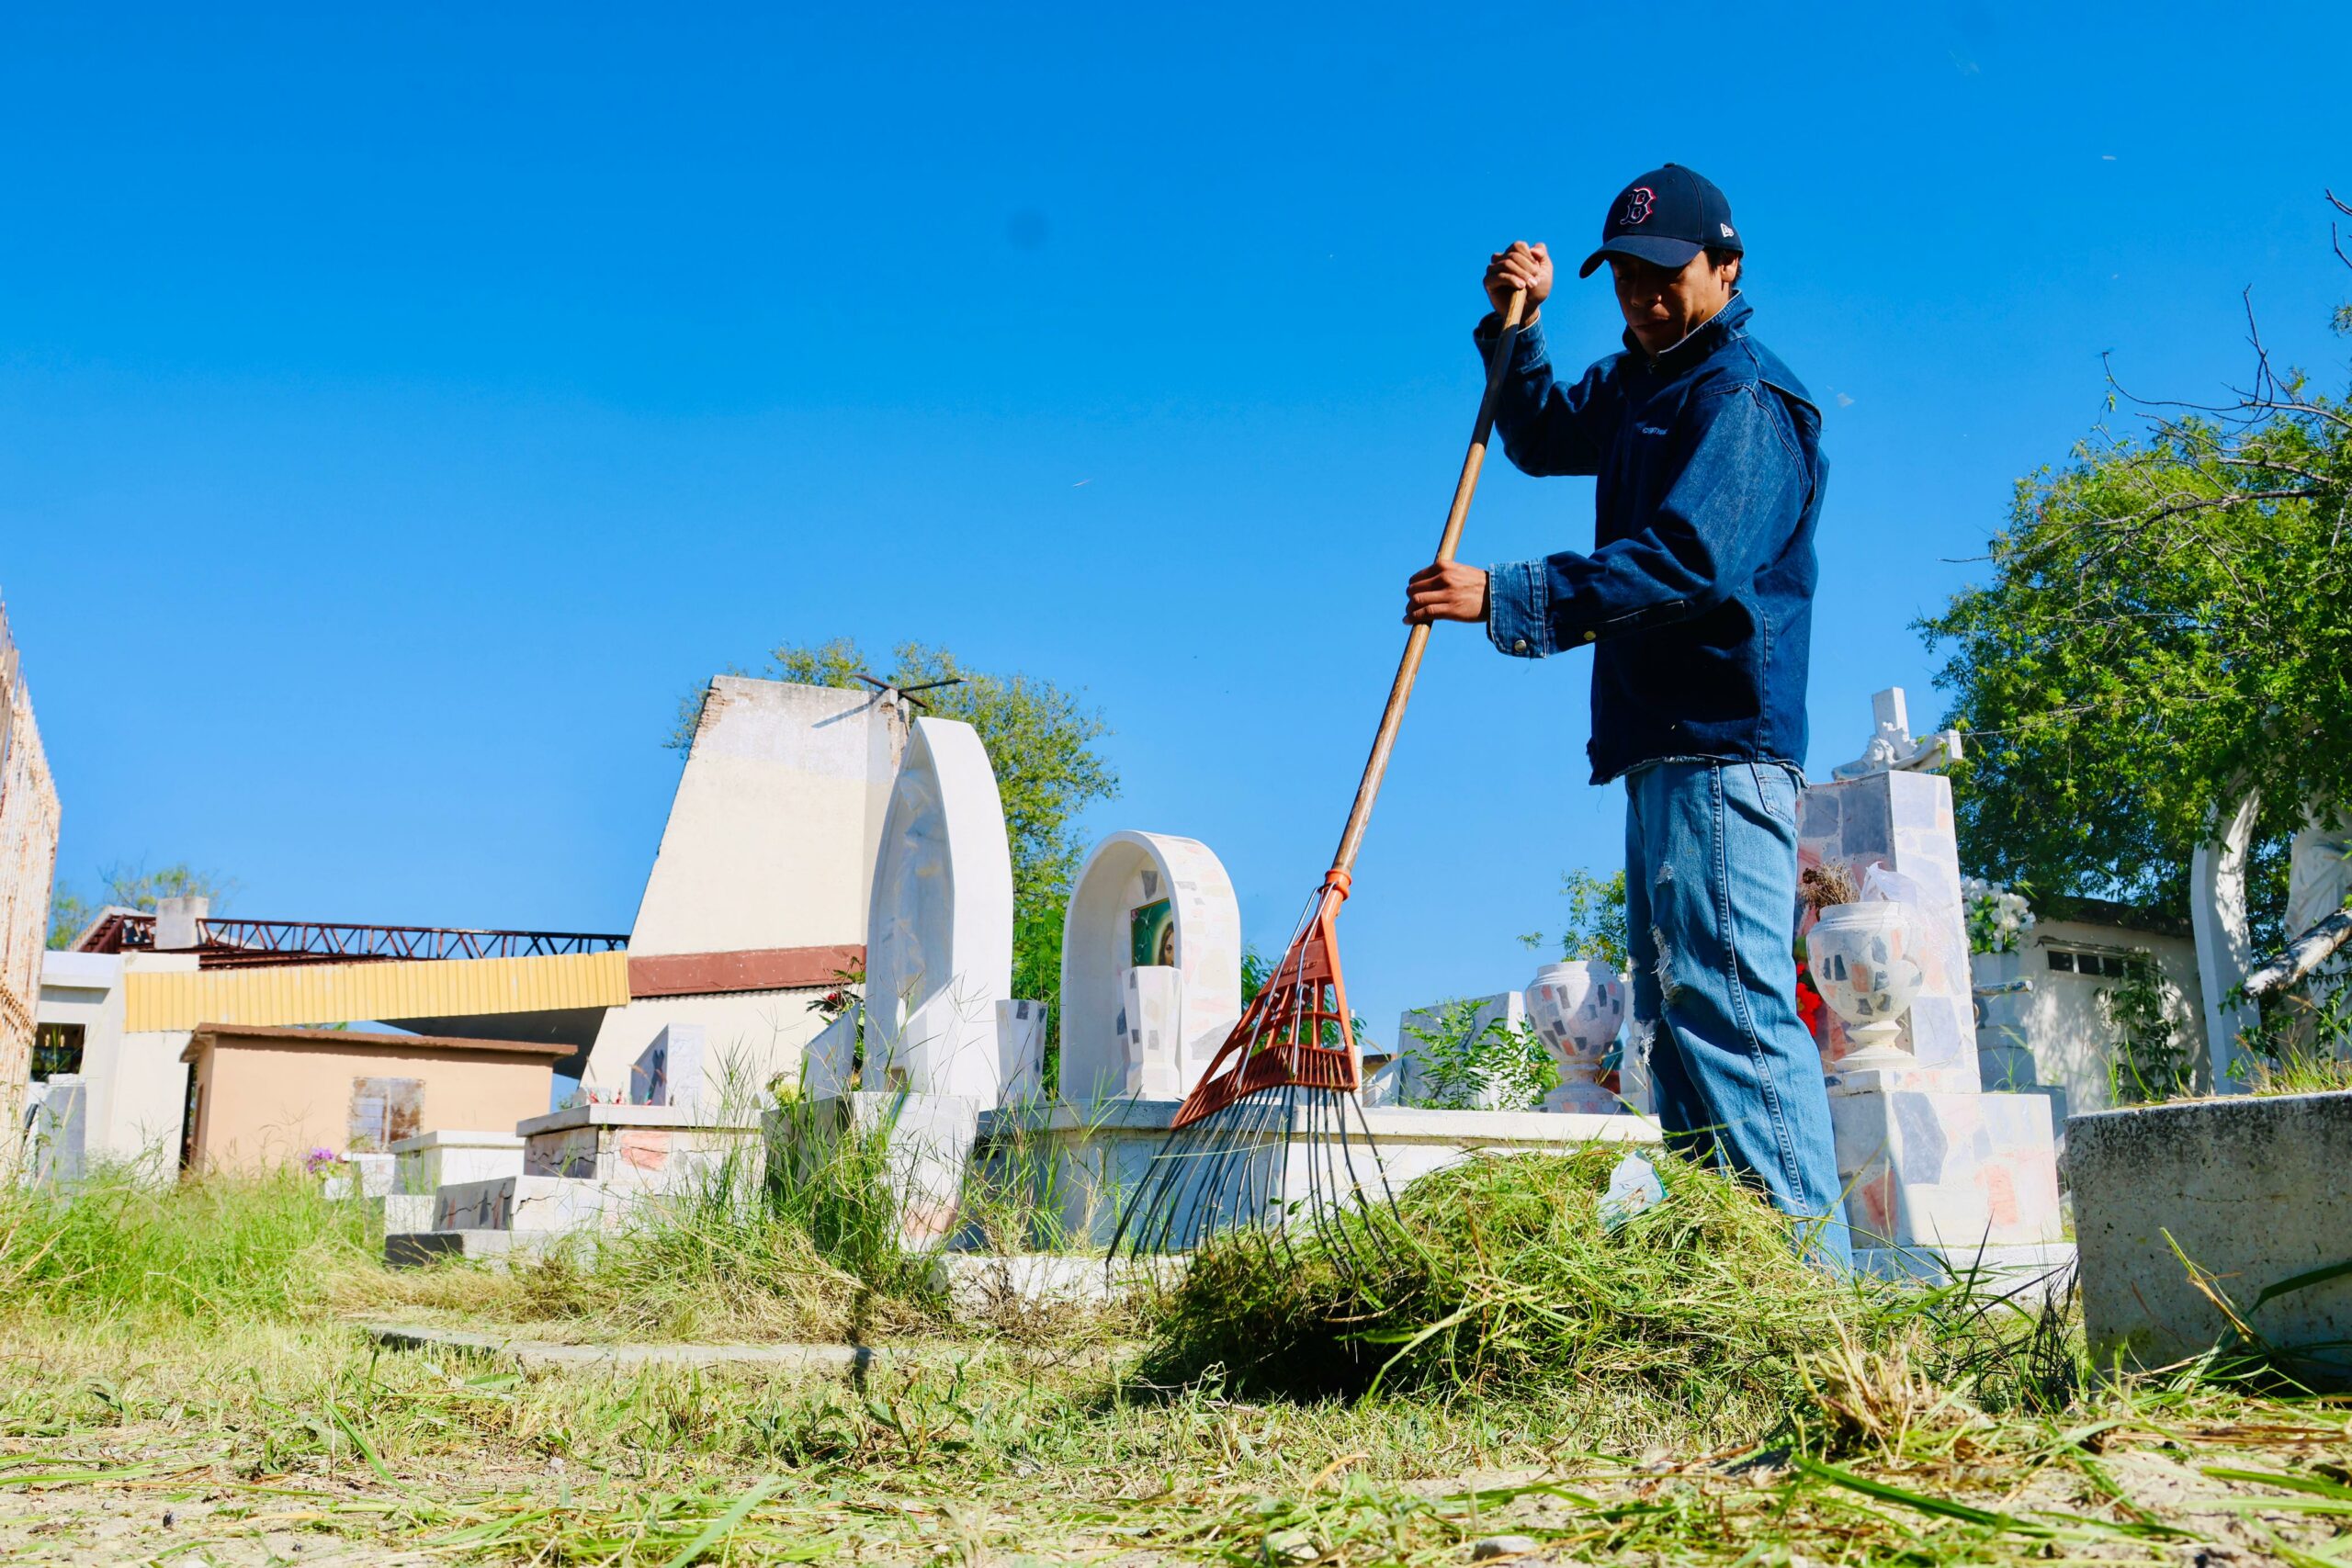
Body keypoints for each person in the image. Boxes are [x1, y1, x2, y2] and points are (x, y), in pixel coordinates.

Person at [1403, 163, 1850, 1269]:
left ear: (1726, 270)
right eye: (1626, 280)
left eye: (1667, 277)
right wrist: (1521, 329)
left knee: (1732, 1007)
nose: (1644, 299)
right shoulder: (1646, 381)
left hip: (1719, 745)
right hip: (1655, 749)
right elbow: (1544, 433)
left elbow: (1691, 562)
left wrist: (1508, 595)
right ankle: (1735, 1283)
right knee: (1681, 1022)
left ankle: (1818, 1300)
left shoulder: (1742, 397)